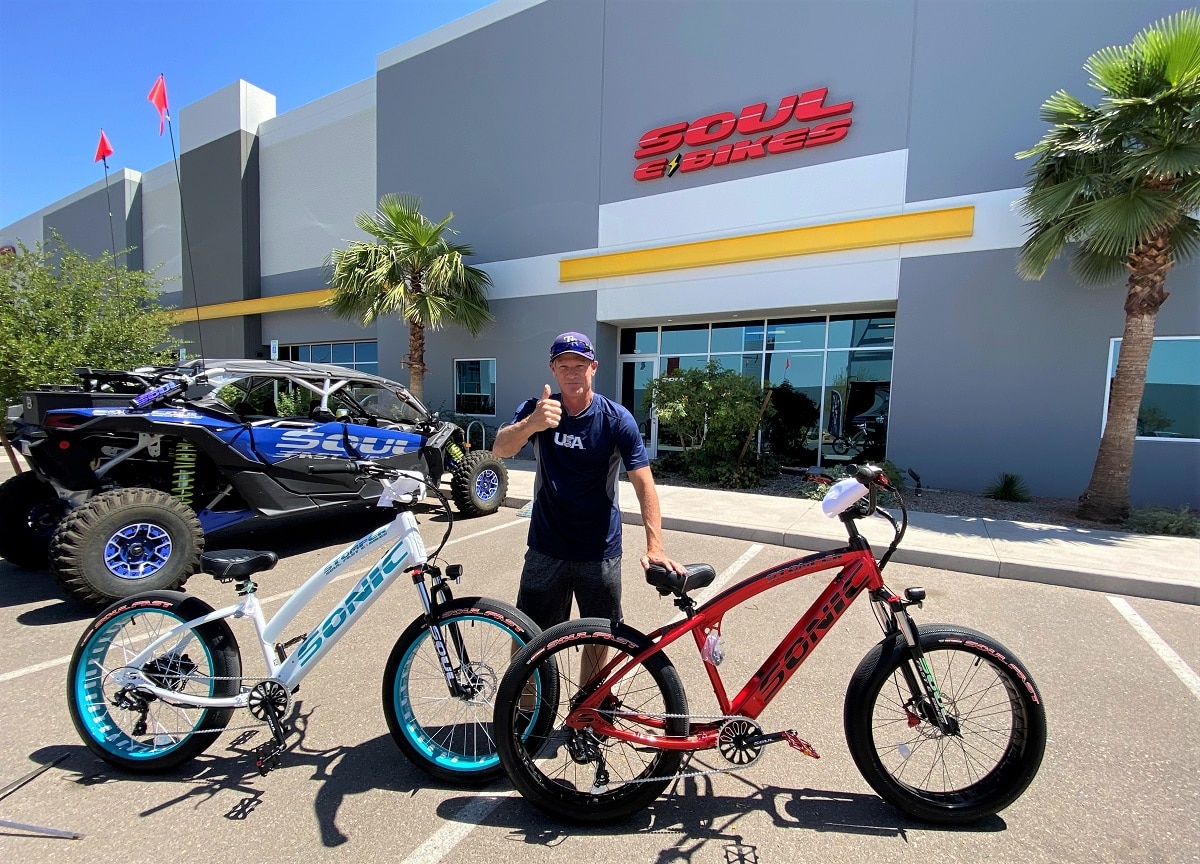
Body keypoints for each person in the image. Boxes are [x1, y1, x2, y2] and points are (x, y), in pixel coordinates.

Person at [492, 331, 686, 648]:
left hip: (600, 553)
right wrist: (532, 424)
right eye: (564, 366)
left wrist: (656, 546)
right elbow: (501, 449)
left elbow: (643, 482)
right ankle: (524, 700)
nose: (572, 373)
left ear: (593, 367)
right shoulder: (538, 409)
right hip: (546, 547)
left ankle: (589, 699)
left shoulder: (616, 419)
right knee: (527, 640)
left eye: (579, 365)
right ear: (552, 369)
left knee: (600, 639)